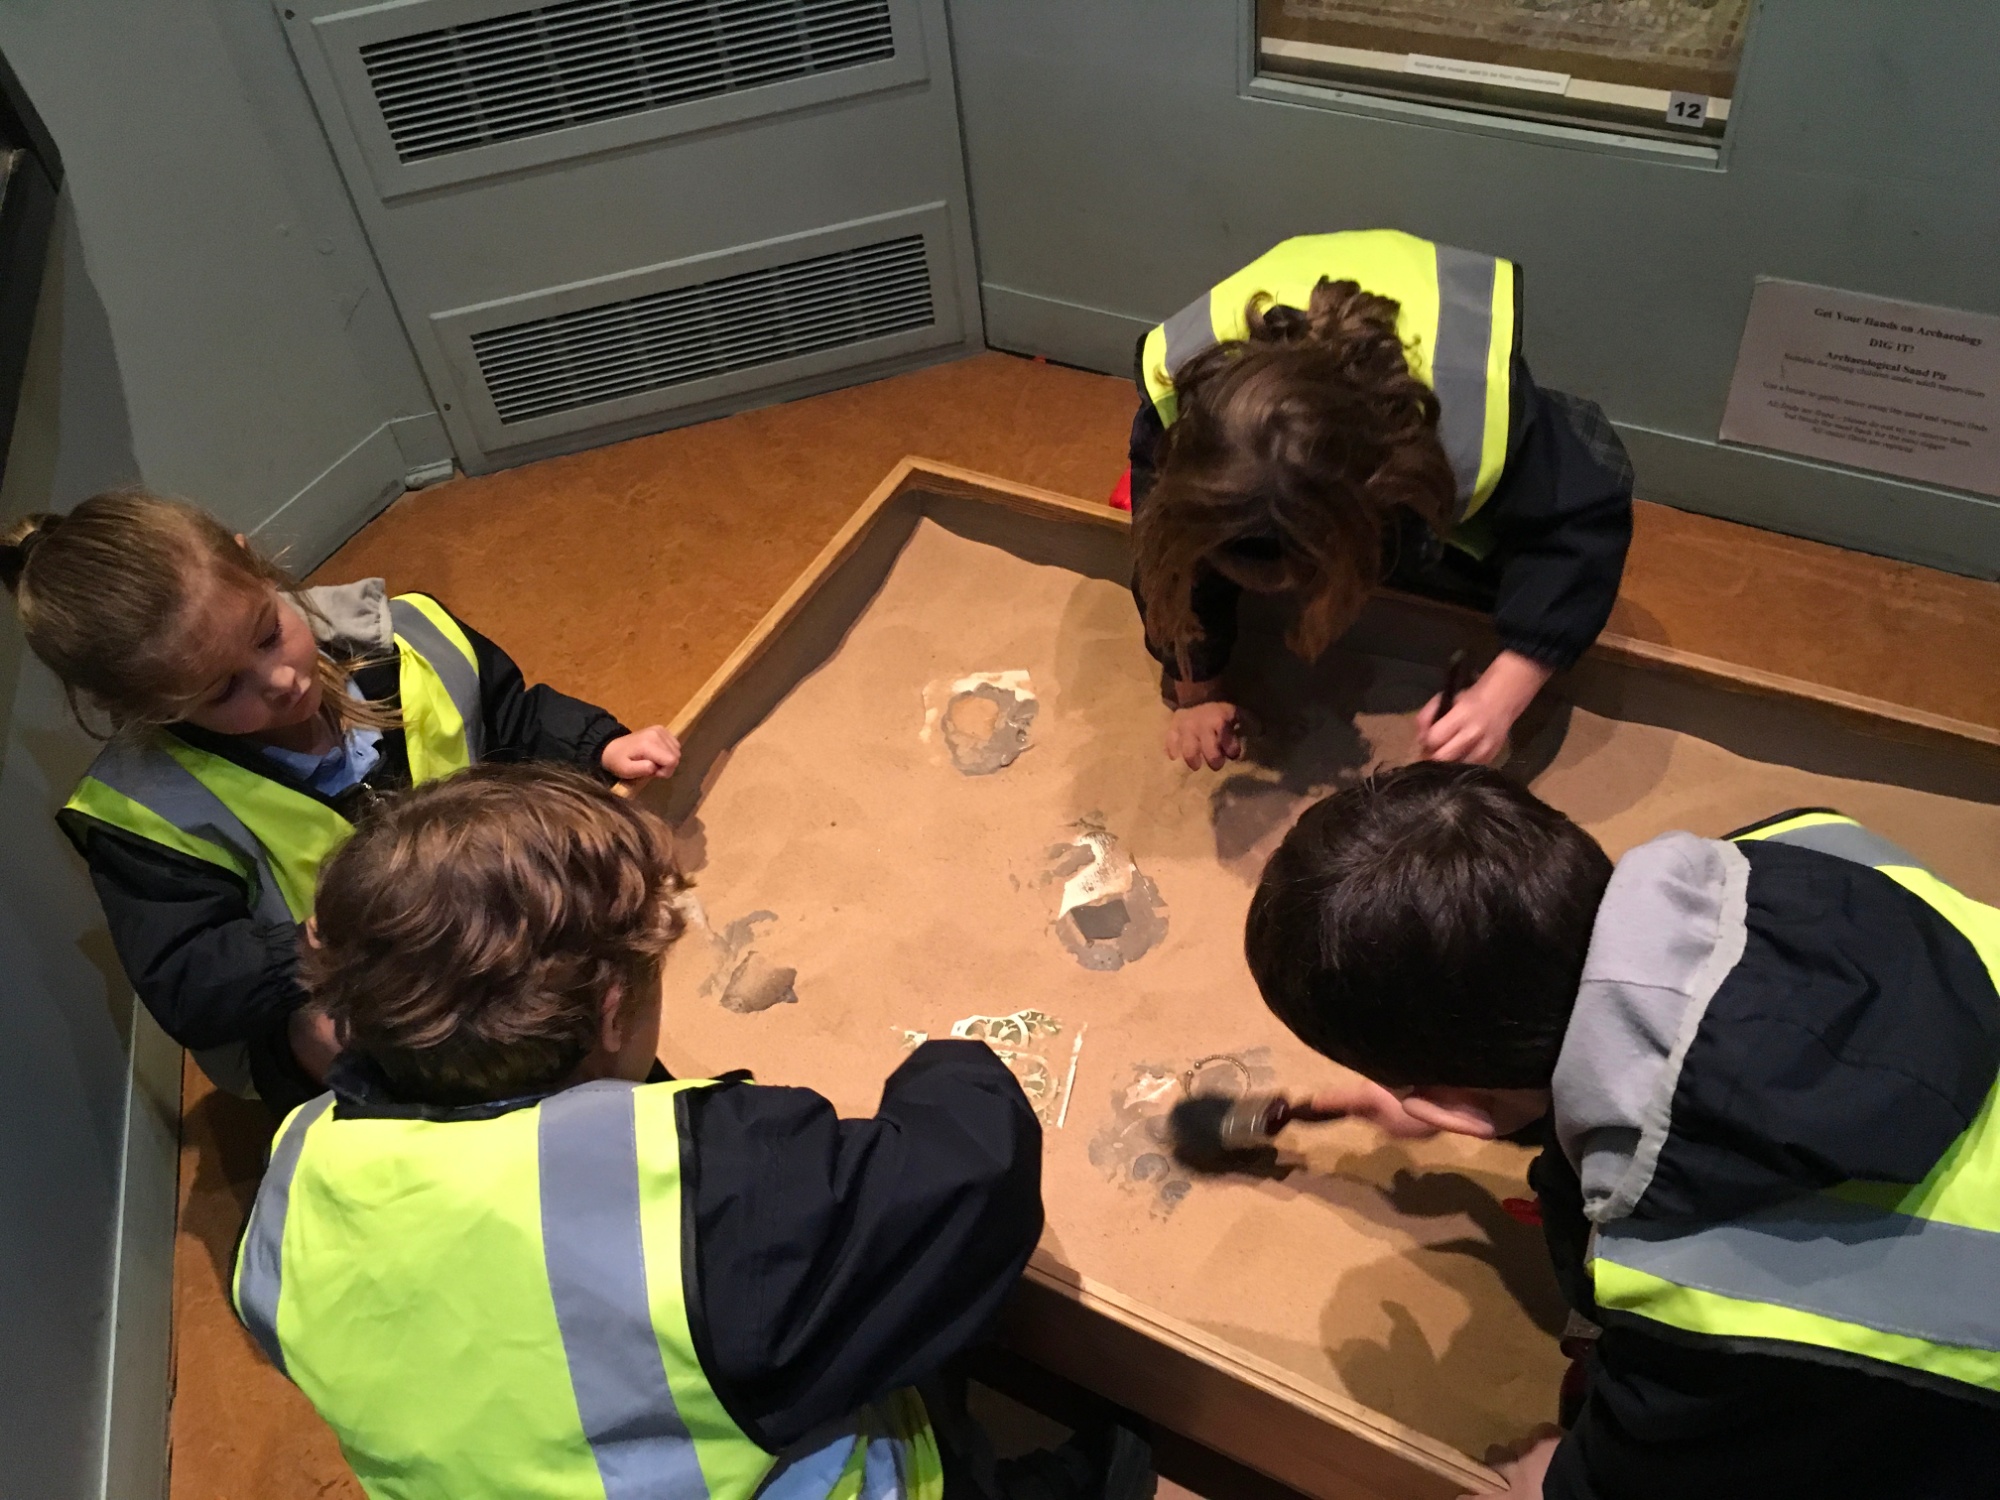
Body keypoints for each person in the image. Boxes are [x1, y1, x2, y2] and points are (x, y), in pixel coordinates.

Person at [233, 763, 1148, 1500]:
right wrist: (954, 1071)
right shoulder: (708, 1189)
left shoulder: (296, 1168)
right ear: (611, 1013)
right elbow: (967, 1185)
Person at [1242, 763, 2000, 1498]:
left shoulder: (1703, 1299)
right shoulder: (1801, 846)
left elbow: (1701, 1456)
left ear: (1450, 1106)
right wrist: (1495, 1108)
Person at [1, 489, 681, 1112]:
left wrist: (597, 749)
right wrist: (312, 943)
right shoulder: (144, 810)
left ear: (255, 564)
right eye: (222, 691)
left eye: (269, 632)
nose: (279, 680)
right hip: (338, 986)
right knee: (342, 1040)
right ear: (142, 707)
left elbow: (512, 716)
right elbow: (189, 981)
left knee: (601, 919)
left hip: (481, 916)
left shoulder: (410, 638)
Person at [1126, 230, 1633, 770]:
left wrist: (1503, 692)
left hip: (1438, 373)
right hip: (1289, 409)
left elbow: (1580, 523)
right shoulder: (1179, 414)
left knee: (1548, 517)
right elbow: (1166, 554)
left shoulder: (1468, 427)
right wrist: (1196, 693)